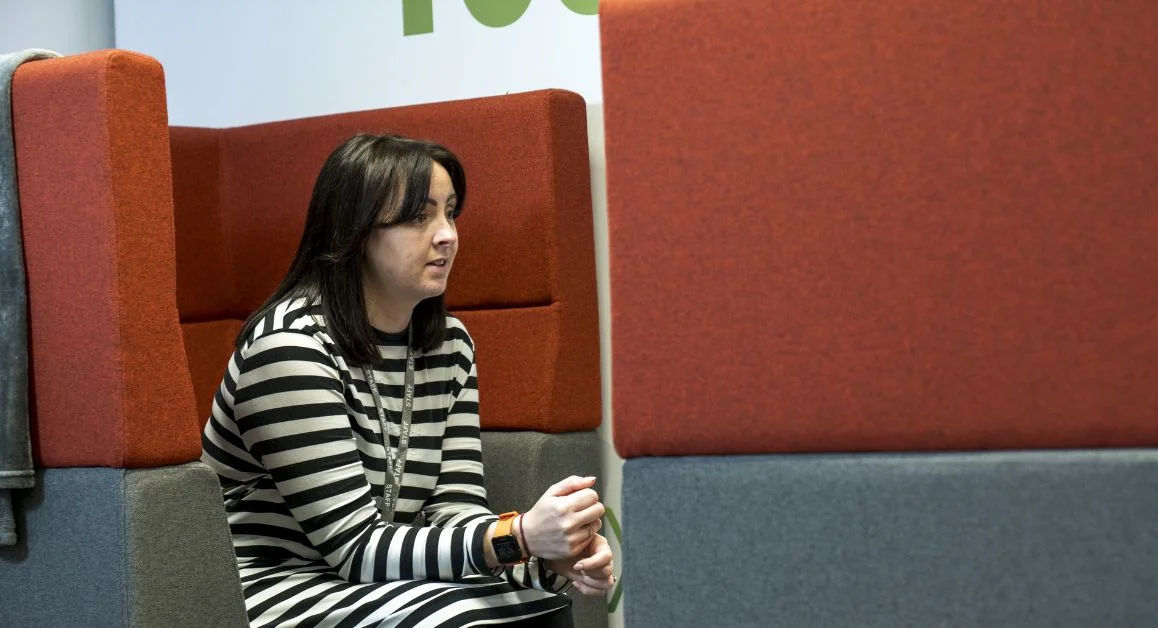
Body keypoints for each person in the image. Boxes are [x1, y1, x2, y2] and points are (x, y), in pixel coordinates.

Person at [200, 133, 614, 627]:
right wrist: (519, 535)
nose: (447, 235)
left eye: (450, 212)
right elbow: (355, 550)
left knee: (542, 606)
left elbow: (455, 516)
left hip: (385, 584)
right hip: (267, 589)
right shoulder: (289, 348)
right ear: (354, 232)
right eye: (420, 217)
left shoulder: (448, 346)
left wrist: (547, 560)